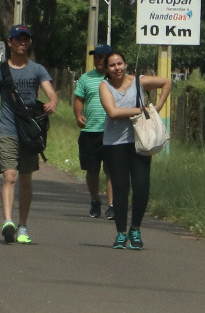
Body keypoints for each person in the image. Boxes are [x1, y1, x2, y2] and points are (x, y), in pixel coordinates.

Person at [0, 25, 58, 244]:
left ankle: (23, 225)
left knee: (26, 178)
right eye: (18, 39)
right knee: (10, 176)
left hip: (30, 133)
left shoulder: (37, 70)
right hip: (8, 130)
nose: (22, 43)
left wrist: (52, 102)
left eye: (26, 39)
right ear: (10, 42)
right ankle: (8, 222)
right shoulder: (0, 72)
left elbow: (51, 92)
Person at [98, 49, 170, 250]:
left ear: (125, 64)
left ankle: (135, 228)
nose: (116, 68)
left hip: (140, 141)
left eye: (119, 63)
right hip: (114, 143)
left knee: (141, 186)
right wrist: (142, 110)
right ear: (107, 68)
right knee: (120, 187)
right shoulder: (105, 86)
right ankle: (121, 233)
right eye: (112, 65)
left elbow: (166, 82)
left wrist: (158, 105)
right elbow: (113, 112)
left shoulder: (138, 81)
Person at [73, 45, 116, 218]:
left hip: (112, 130)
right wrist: (78, 115)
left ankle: (112, 205)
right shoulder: (86, 78)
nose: (98, 60)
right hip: (90, 131)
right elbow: (79, 99)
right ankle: (95, 200)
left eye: (102, 57)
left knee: (111, 170)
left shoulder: (116, 78)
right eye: (96, 57)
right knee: (92, 170)